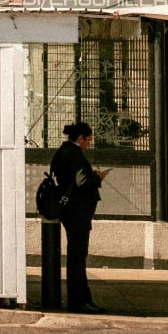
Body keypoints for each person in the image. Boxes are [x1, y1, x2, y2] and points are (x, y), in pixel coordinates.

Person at [49, 121, 105, 314]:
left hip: (69, 210)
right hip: (78, 211)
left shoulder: (61, 152)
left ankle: (83, 298)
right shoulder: (75, 154)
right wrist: (97, 177)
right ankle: (78, 300)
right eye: (88, 140)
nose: (88, 144)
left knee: (77, 256)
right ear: (80, 138)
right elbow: (82, 182)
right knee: (78, 257)